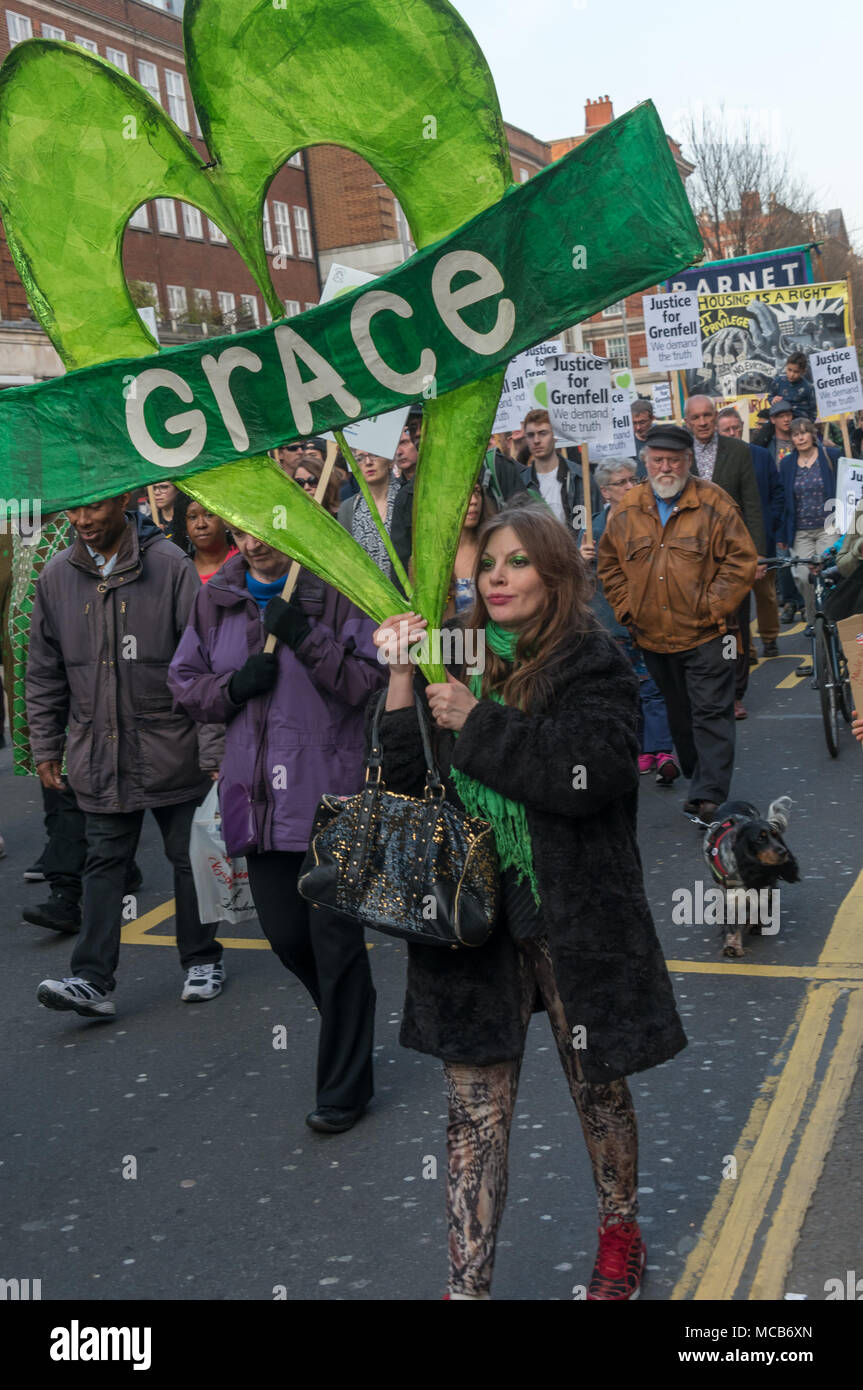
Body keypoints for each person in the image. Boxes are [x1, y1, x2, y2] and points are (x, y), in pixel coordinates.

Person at [372, 503, 687, 1299]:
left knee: (598, 1089)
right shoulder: (457, 650)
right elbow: (404, 784)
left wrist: (479, 722)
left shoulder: (592, 659)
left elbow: (593, 774)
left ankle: (619, 1233)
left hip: (573, 913)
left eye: (516, 562)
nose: (498, 578)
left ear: (553, 571)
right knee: (472, 1119)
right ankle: (466, 1286)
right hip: (471, 919)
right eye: (487, 565)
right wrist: (405, 675)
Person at [168, 530, 385, 1133]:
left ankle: (344, 1086)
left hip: (330, 794)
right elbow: (185, 681)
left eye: (264, 533)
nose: (252, 544)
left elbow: (366, 682)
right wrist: (231, 688)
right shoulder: (219, 596)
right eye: (241, 533)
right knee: (289, 939)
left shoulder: (338, 587)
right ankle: (351, 1026)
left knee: (336, 944)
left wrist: (305, 636)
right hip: (254, 802)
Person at [29, 495, 224, 1020]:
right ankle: (91, 979)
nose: (83, 522)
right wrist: (44, 744)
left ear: (121, 500)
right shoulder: (55, 578)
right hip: (98, 751)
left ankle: (202, 958)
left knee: (189, 859)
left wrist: (214, 747)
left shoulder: (170, 566)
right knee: (103, 864)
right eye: (73, 513)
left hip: (173, 746)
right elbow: (45, 671)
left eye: (92, 510)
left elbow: (203, 660)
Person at [598, 424, 757, 822]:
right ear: (646, 461)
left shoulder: (714, 503)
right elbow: (610, 564)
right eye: (657, 460)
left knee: (711, 712)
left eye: (673, 460)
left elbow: (741, 560)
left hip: (708, 634)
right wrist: (627, 608)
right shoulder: (629, 508)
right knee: (679, 714)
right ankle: (697, 775)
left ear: (688, 462)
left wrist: (713, 606)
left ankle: (708, 794)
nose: (665, 467)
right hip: (652, 635)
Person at [580, 458, 679, 784]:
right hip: (609, 623)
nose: (631, 486)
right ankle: (639, 748)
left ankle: (663, 749)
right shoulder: (591, 530)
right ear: (605, 491)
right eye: (622, 482)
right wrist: (581, 561)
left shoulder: (651, 521)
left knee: (653, 686)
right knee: (624, 688)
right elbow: (576, 584)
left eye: (633, 479)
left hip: (647, 617)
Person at [683, 395, 766, 719]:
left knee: (735, 629)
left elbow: (752, 505)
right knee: (697, 628)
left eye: (707, 416)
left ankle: (734, 693)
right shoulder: (680, 456)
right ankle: (705, 691)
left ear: (715, 417)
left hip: (732, 557)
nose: (703, 422)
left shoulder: (737, 452)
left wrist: (757, 556)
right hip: (690, 558)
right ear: (687, 422)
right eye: (696, 418)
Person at [716, 407, 784, 659]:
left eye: (736, 427)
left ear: (743, 426)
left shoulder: (760, 455)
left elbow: (777, 492)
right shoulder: (715, 461)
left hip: (760, 538)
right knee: (737, 600)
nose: (733, 433)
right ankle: (747, 649)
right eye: (727, 429)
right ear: (718, 431)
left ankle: (770, 638)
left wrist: (771, 523)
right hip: (730, 544)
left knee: (765, 594)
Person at [777, 416, 840, 675]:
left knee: (827, 576)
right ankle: (814, 620)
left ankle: (834, 618)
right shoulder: (787, 463)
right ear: (791, 439)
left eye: (805, 432)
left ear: (813, 434)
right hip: (800, 531)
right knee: (803, 576)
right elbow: (782, 498)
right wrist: (781, 533)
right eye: (796, 434)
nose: (801, 437)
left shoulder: (831, 456)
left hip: (828, 527)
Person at [520, 408, 600, 527]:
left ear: (555, 436)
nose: (536, 440)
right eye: (531, 435)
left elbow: (597, 523)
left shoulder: (580, 477)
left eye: (543, 433)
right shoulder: (521, 482)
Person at [337, 450, 402, 581]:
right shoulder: (347, 509)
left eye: (375, 455)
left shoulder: (407, 499)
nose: (368, 462)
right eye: (360, 458)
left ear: (390, 461)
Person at [173, 496, 238, 582]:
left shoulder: (246, 557)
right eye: (193, 517)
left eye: (209, 515)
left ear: (225, 519)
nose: (201, 524)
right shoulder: (181, 571)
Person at [768, 351, 816, 421]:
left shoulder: (808, 387)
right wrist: (773, 400)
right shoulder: (778, 381)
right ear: (786, 366)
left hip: (799, 421)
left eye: (796, 372)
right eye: (789, 370)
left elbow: (813, 410)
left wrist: (808, 425)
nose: (791, 374)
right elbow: (770, 396)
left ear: (803, 372)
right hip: (781, 418)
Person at [293, 453, 343, 518]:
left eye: (313, 481)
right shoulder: (291, 519)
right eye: (300, 482)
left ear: (327, 482)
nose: (306, 487)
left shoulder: (343, 516)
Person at [149, 481, 186, 546]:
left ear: (177, 489)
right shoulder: (149, 522)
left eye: (164, 487)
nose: (157, 492)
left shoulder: (187, 519)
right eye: (154, 488)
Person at [631, 398, 654, 477]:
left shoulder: (662, 438)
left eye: (642, 422)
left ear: (652, 419)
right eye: (634, 423)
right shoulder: (627, 444)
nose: (638, 427)